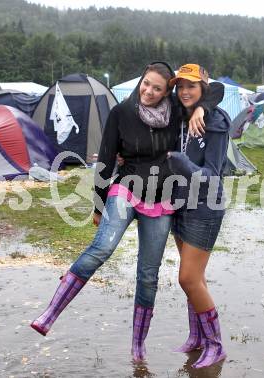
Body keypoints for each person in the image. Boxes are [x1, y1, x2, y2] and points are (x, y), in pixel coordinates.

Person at [30, 62, 224, 362]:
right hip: (126, 189)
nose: (149, 91)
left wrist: (203, 109)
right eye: (146, 83)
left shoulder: (175, 110)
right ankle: (49, 314)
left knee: (149, 275)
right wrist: (98, 204)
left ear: (166, 92)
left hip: (162, 201)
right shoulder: (121, 112)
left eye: (158, 88)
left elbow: (213, 91)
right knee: (102, 247)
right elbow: (106, 160)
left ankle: (138, 345)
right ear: (140, 80)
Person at [166, 64, 230, 369]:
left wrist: (181, 163)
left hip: (205, 207)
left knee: (188, 278)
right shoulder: (181, 115)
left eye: (191, 86)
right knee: (195, 279)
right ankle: (197, 336)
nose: (185, 91)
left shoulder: (215, 121)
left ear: (203, 88)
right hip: (179, 205)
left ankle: (215, 345)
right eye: (180, 86)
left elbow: (212, 176)